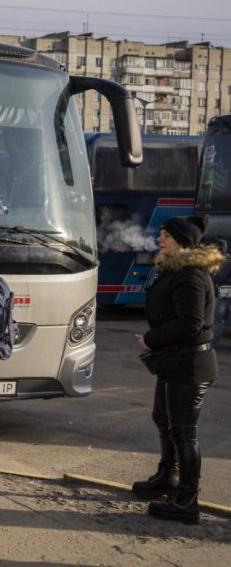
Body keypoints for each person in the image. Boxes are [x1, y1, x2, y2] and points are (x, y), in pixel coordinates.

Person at [133, 215, 222, 525]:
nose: (160, 240)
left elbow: (190, 323)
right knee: (163, 419)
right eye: (160, 234)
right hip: (175, 361)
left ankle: (187, 500)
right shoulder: (177, 271)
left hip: (190, 365)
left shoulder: (191, 276)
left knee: (184, 432)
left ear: (181, 242)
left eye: (166, 236)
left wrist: (150, 339)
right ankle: (167, 476)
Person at [210, 240, 231, 347]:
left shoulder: (225, 261)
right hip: (224, 292)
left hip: (222, 293)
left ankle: (211, 345)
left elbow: (219, 277)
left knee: (217, 320)